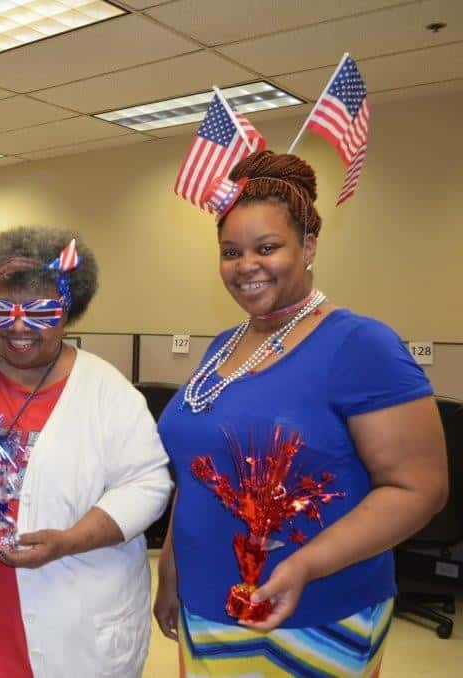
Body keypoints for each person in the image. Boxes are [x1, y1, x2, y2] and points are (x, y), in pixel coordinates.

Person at [154, 151, 448, 676]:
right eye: (230, 251)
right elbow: (198, 472)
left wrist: (304, 566)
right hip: (209, 603)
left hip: (317, 608)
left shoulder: (361, 344)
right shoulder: (222, 346)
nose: (246, 265)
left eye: (267, 247)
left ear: (308, 247)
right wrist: (172, 569)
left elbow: (417, 488)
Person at [0, 226, 173, 677]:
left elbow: (148, 485)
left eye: (39, 311)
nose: (17, 327)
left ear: (67, 312)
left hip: (73, 623)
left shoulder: (108, 391)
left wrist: (69, 541)